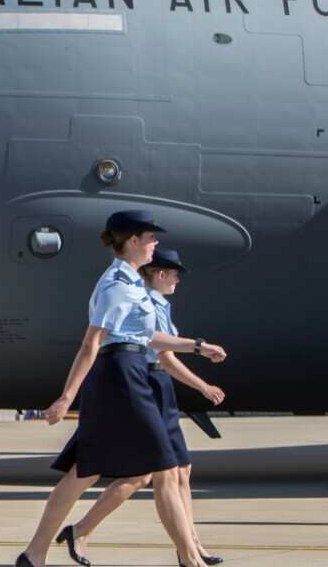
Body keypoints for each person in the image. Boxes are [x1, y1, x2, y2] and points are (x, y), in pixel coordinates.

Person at [15, 211, 228, 567]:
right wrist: (67, 396)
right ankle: (191, 560)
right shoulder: (115, 284)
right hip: (120, 376)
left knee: (85, 469)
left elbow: (145, 337)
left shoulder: (130, 283)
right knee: (162, 467)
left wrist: (197, 346)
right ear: (132, 241)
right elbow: (91, 343)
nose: (155, 244)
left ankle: (34, 553)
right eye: (150, 238)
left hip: (129, 373)